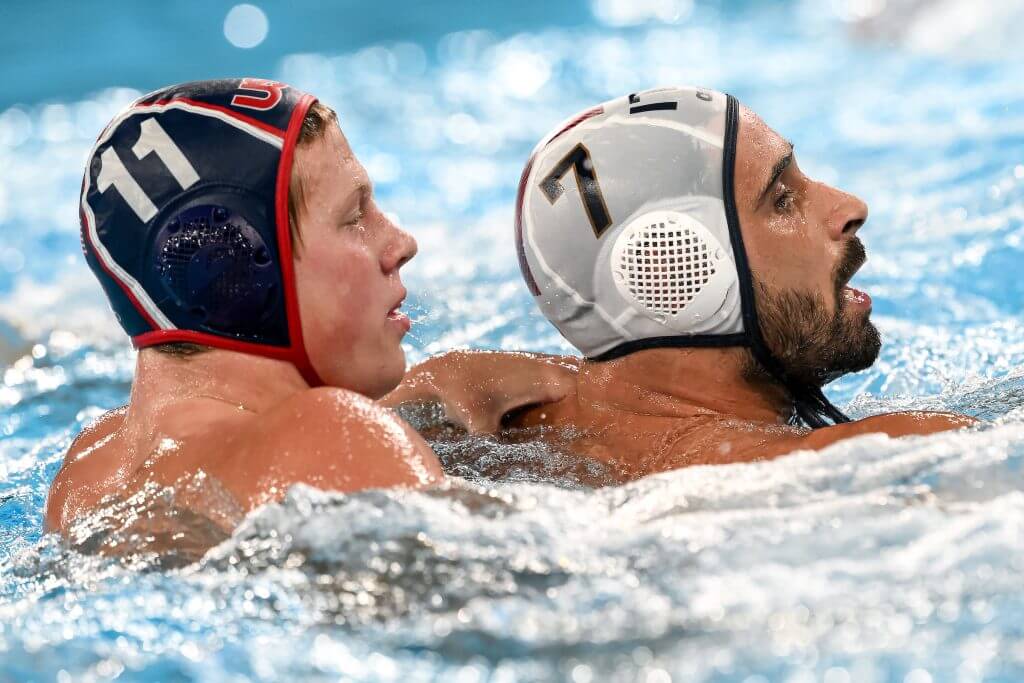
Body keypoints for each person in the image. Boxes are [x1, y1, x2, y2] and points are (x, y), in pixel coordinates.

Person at [384, 86, 976, 482]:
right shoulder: (892, 456)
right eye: (782, 199)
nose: (849, 207)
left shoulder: (470, 394)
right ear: (672, 269)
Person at [45, 79, 451, 535]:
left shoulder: (83, 476)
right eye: (354, 216)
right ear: (232, 272)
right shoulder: (334, 437)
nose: (401, 243)